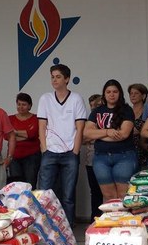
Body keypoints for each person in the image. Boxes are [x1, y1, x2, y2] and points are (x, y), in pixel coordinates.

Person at [37, 64, 87, 227]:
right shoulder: (45, 98)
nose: (54, 80)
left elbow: (80, 127)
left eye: (58, 76)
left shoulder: (76, 99)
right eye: (52, 76)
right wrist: (44, 149)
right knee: (44, 192)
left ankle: (68, 228)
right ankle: (45, 226)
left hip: (69, 153)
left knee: (68, 194)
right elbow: (42, 126)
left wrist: (75, 151)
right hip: (50, 151)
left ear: (67, 79)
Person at [84, 79, 138, 201]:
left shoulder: (127, 110)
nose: (112, 94)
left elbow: (123, 134)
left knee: (123, 195)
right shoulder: (97, 111)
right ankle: (113, 220)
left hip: (124, 157)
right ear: (104, 94)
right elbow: (87, 132)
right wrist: (108, 132)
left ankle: (124, 220)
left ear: (120, 93)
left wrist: (98, 134)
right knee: (108, 196)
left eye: (115, 91)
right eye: (108, 92)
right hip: (101, 158)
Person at [6, 92, 40, 189]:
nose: (21, 107)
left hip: (32, 157)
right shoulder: (10, 119)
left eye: (24, 105)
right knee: (16, 186)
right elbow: (6, 136)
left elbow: (33, 134)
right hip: (14, 157)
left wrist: (15, 133)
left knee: (30, 185)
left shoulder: (35, 118)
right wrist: (25, 135)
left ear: (29, 106)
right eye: (19, 104)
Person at [83, 94, 103, 222]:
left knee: (107, 192)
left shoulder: (106, 120)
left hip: (105, 160)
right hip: (90, 161)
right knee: (94, 192)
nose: (94, 108)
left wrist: (94, 136)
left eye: (97, 105)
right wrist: (98, 136)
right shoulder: (87, 123)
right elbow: (83, 139)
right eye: (91, 106)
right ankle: (94, 220)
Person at [128, 83, 148, 169]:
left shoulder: (147, 111)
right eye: (131, 93)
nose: (133, 96)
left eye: (136, 93)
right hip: (129, 150)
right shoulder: (127, 111)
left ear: (143, 96)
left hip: (143, 150)